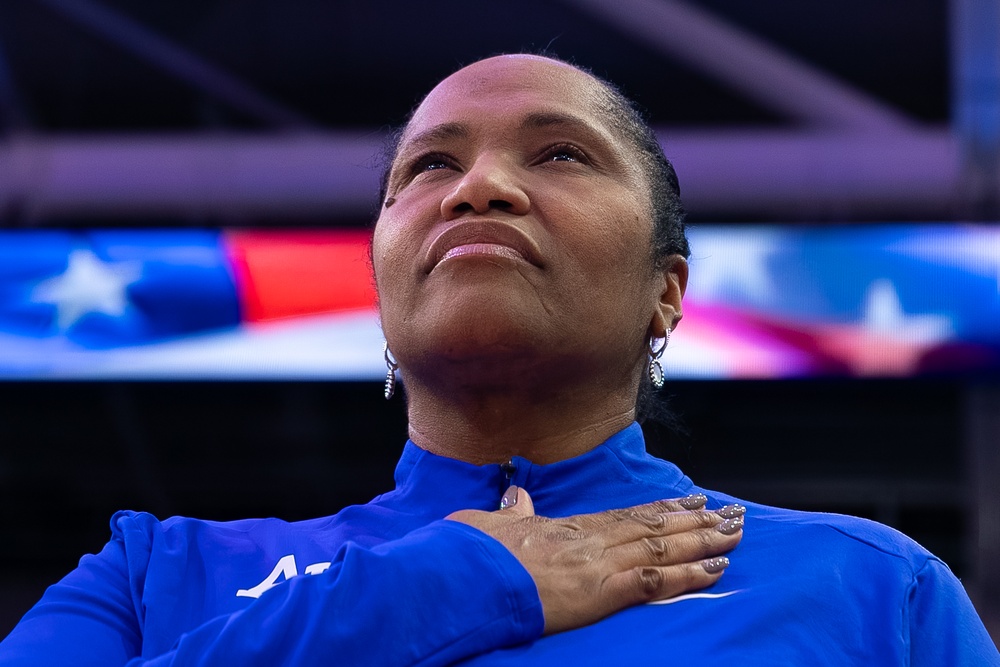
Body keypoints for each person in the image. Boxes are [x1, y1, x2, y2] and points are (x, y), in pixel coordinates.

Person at [0, 53, 996, 666]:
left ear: (667, 293)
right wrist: (442, 587)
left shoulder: (871, 592)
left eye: (559, 153)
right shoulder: (153, 577)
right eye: (428, 165)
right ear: (383, 287)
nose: (478, 188)